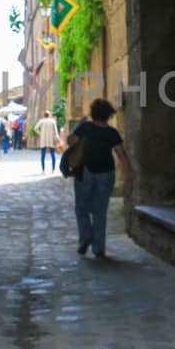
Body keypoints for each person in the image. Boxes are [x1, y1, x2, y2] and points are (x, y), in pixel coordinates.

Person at [68, 97, 132, 257]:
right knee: (100, 210)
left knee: (81, 207)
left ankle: (86, 235)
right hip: (106, 173)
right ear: (108, 115)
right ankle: (99, 248)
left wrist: (77, 130)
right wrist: (128, 172)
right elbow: (121, 154)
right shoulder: (112, 133)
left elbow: (71, 141)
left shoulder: (85, 128)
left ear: (93, 113)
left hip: (86, 172)